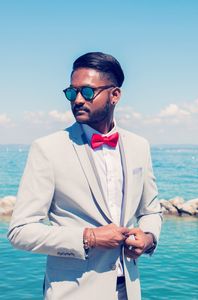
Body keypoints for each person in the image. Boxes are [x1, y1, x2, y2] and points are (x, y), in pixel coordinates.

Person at [8, 52, 162, 300]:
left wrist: (149, 238)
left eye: (88, 92)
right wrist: (88, 237)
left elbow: (151, 210)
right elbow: (20, 230)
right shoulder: (47, 149)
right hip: (73, 292)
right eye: (72, 92)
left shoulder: (139, 146)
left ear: (115, 95)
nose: (77, 99)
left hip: (129, 289)